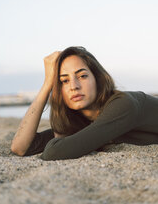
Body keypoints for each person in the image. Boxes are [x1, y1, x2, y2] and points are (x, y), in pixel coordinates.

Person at [11, 46, 158, 161]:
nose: (74, 86)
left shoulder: (122, 105)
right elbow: (20, 147)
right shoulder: (82, 121)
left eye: (82, 76)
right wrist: (47, 85)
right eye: (64, 81)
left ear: (97, 79)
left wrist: (60, 139)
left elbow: (53, 152)